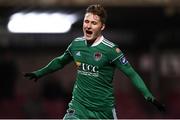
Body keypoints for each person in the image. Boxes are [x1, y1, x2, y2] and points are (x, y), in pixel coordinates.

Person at [24, 4, 165, 119]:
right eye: (86, 21)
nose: (88, 26)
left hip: (103, 111)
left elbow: (131, 74)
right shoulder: (76, 44)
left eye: (93, 23)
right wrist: (39, 73)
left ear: (102, 27)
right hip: (78, 107)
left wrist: (148, 95)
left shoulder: (111, 50)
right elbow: (60, 61)